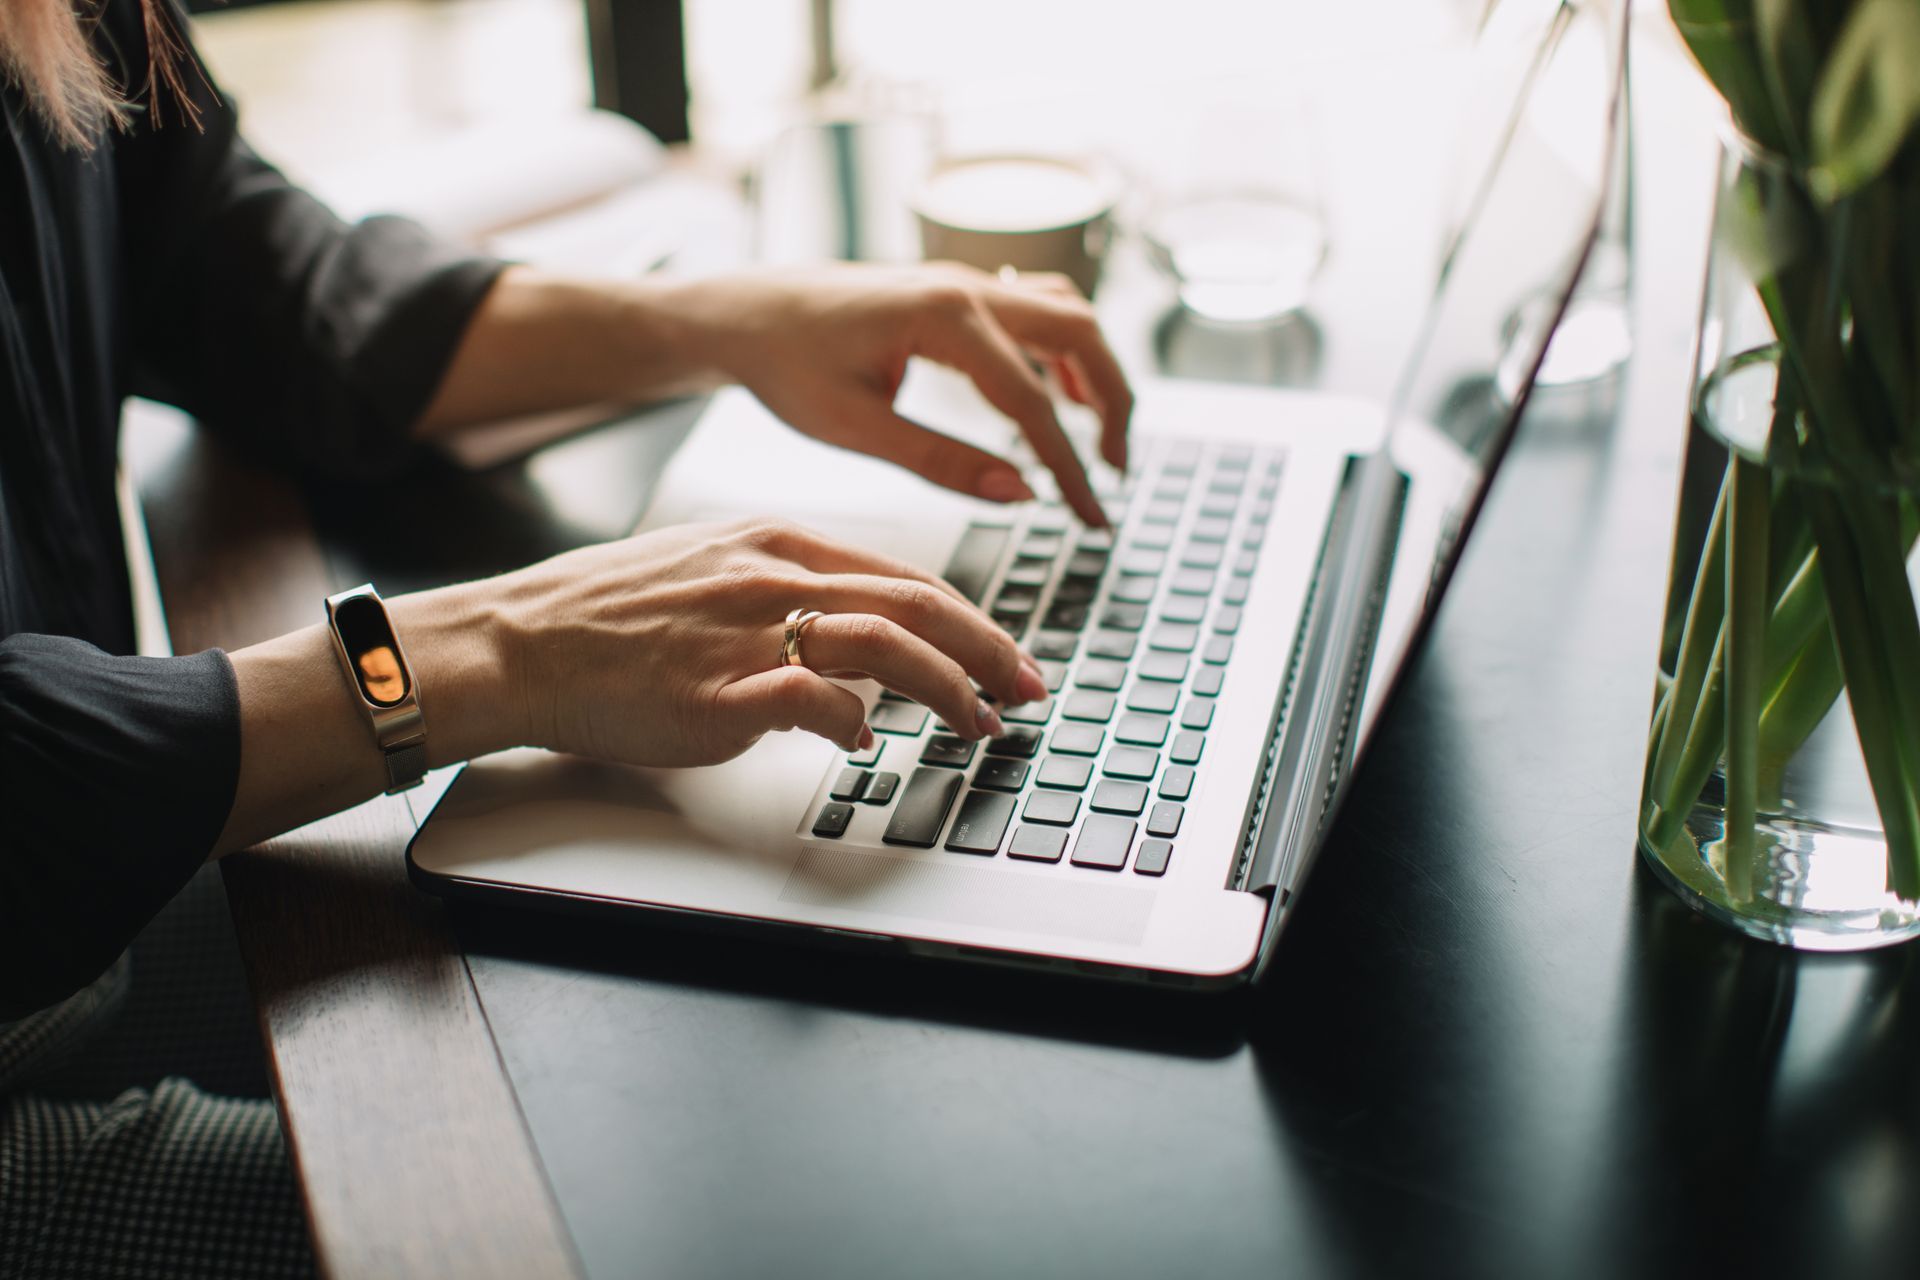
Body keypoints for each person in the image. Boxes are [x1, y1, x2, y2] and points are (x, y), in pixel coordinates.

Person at [0, 0, 1134, 1273]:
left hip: (88, 918)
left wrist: (730, 322)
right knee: (662, 1231)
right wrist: (509, 641)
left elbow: (235, 267)